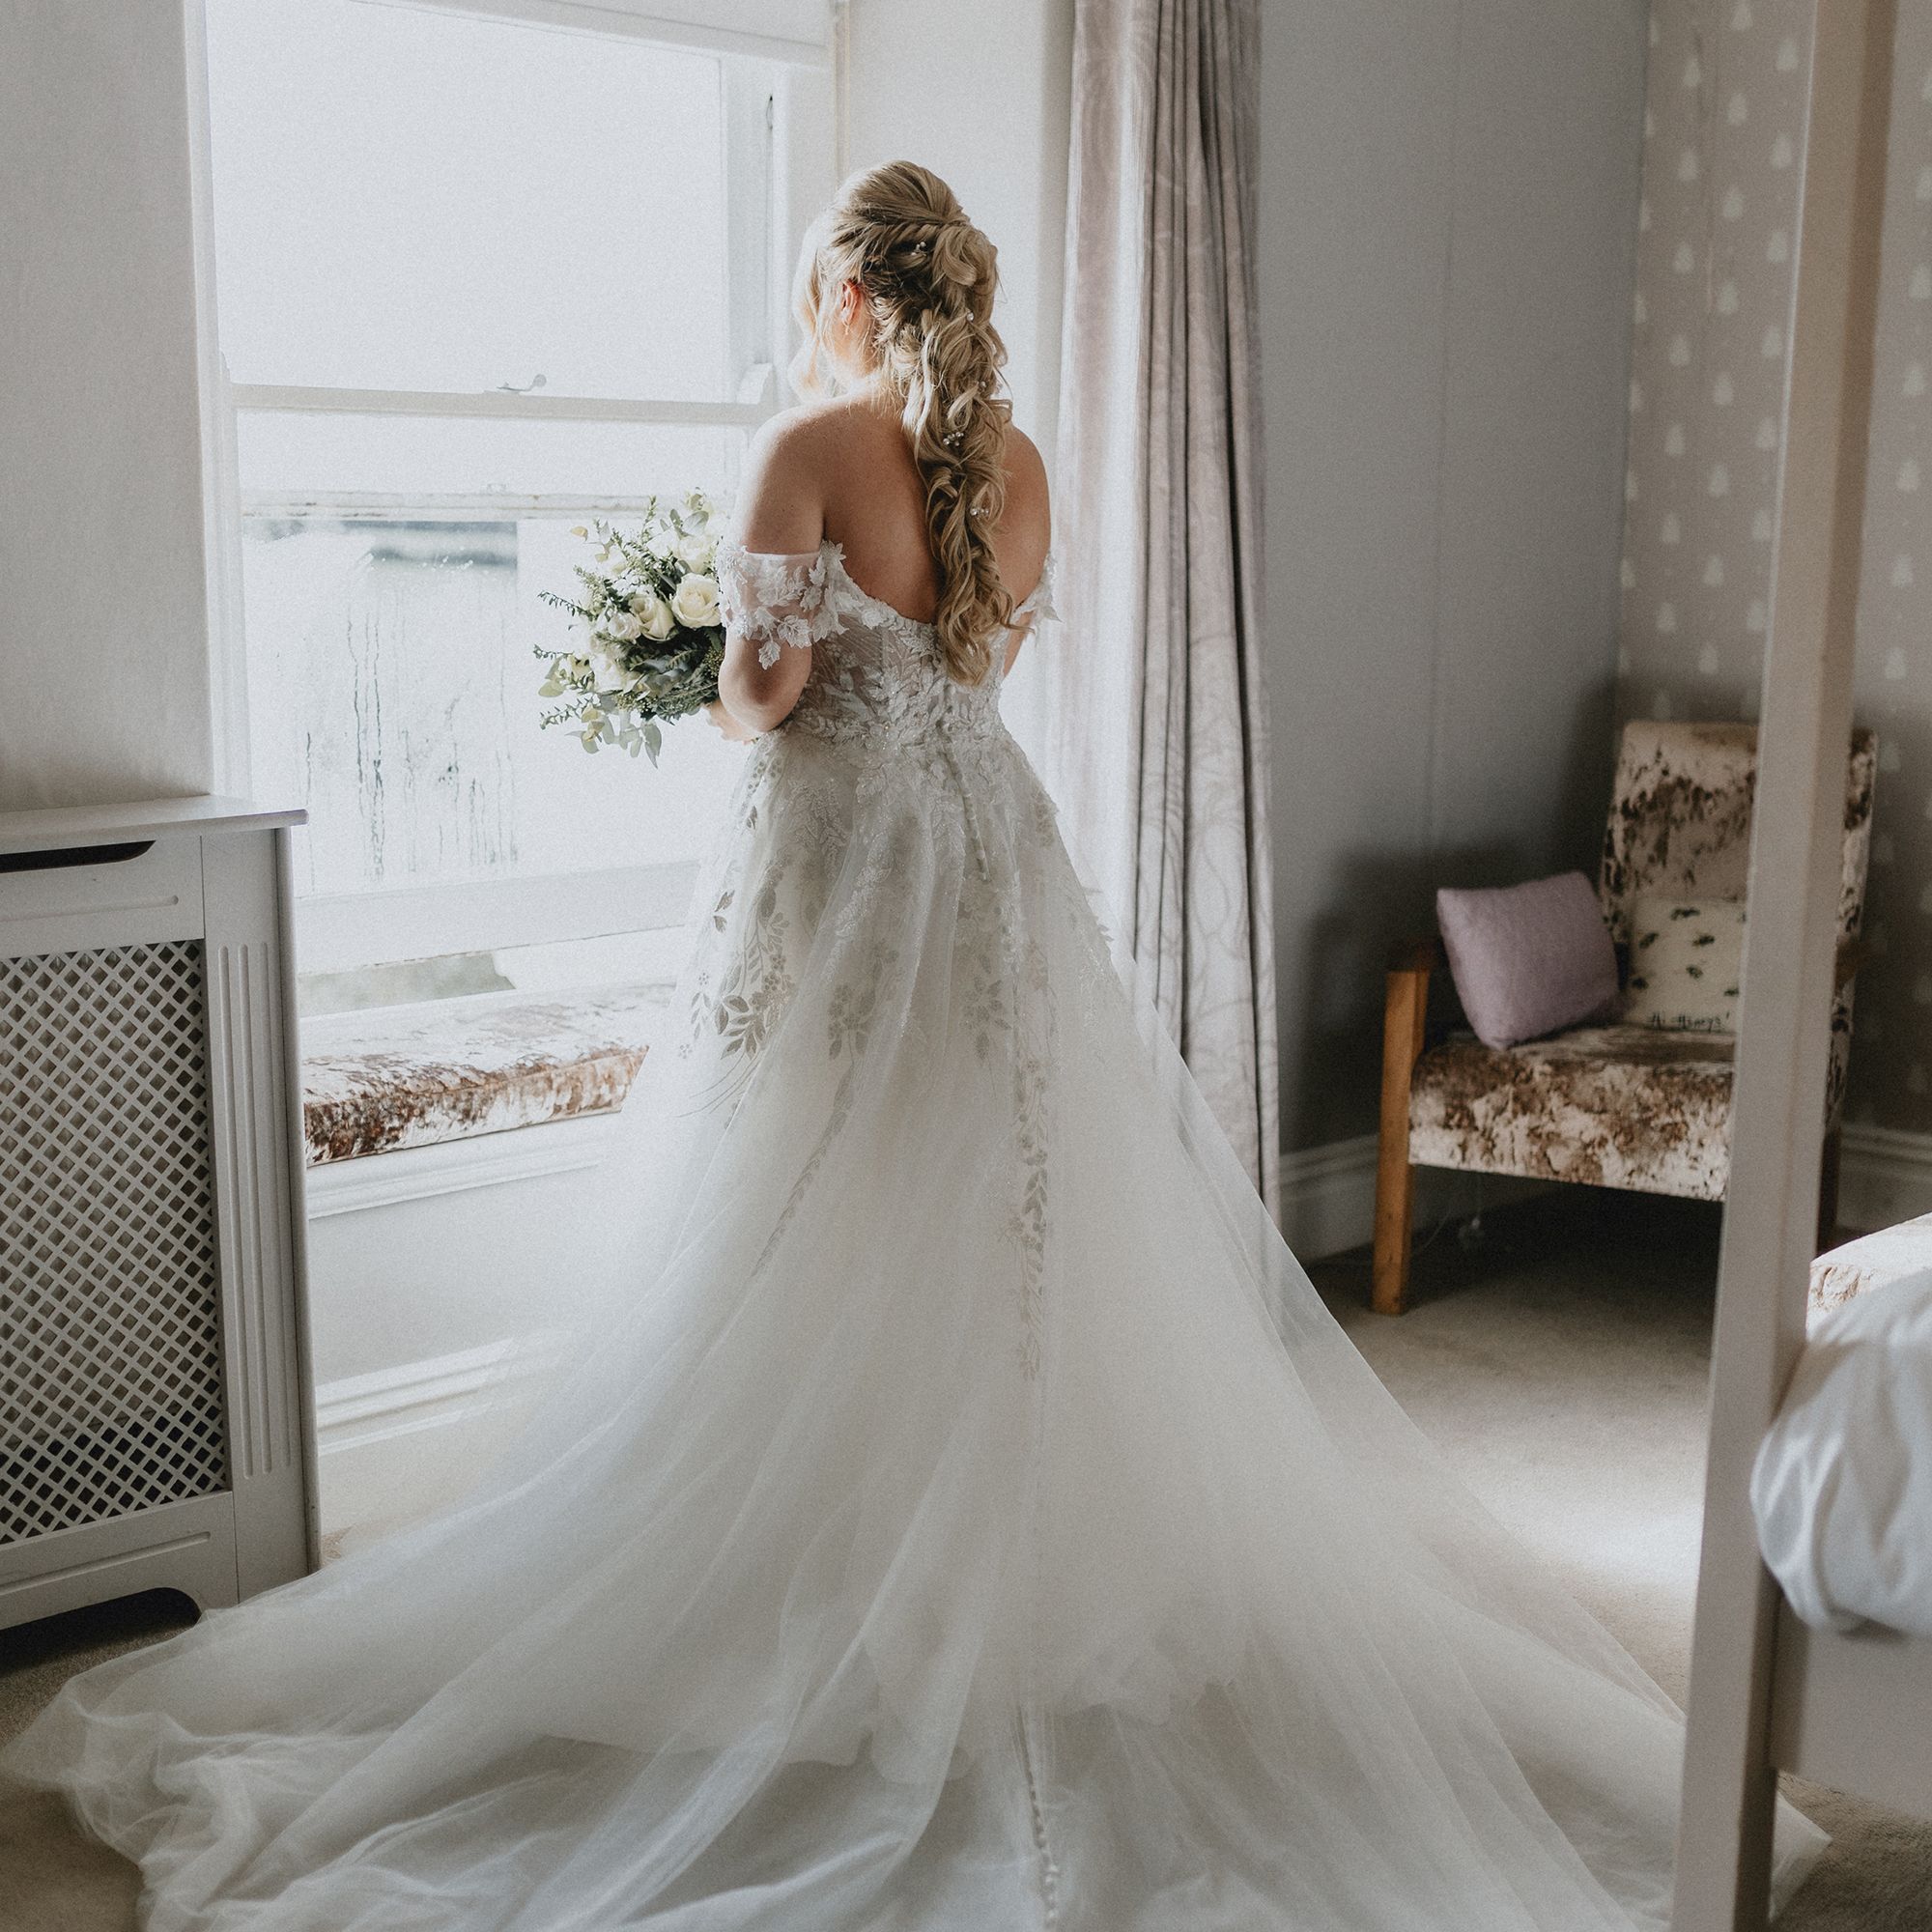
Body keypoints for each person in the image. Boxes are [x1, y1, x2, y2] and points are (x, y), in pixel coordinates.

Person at [2, 160, 1823, 1931]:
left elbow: (766, 697)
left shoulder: (802, 451)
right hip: (986, 845)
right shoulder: (1015, 467)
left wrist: (702, 658)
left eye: (817, 295)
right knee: (993, 1182)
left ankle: (822, 1550)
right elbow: (974, 665)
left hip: (843, 851)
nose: (811, 325)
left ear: (850, 295)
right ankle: (992, 1543)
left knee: (800, 1182)